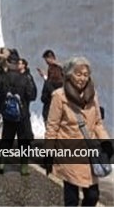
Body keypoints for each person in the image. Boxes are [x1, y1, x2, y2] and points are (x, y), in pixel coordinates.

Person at [45, 57, 112, 206]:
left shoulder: (92, 95)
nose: (83, 78)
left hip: (89, 152)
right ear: (69, 74)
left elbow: (97, 123)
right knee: (71, 198)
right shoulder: (59, 96)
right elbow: (52, 126)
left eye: (86, 74)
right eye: (78, 74)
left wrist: (106, 141)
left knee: (93, 196)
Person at [0, 50, 36, 175]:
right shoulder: (25, 79)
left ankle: (1, 164)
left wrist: (0, 110)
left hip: (8, 115)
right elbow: (32, 95)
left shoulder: (2, 78)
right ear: (18, 64)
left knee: (6, 139)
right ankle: (24, 167)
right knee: (24, 141)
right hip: (22, 115)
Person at [39, 49, 64, 123]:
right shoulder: (54, 68)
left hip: (52, 107)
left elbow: (54, 87)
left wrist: (45, 78)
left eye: (46, 59)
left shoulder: (56, 69)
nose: (46, 62)